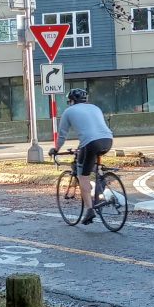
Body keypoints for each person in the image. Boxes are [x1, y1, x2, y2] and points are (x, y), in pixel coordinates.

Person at [49, 88, 113, 225]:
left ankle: (89, 210)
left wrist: (55, 149)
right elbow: (93, 129)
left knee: (82, 176)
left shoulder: (68, 112)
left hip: (90, 143)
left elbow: (62, 136)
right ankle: (100, 184)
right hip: (108, 140)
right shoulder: (95, 108)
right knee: (92, 163)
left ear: (72, 101)